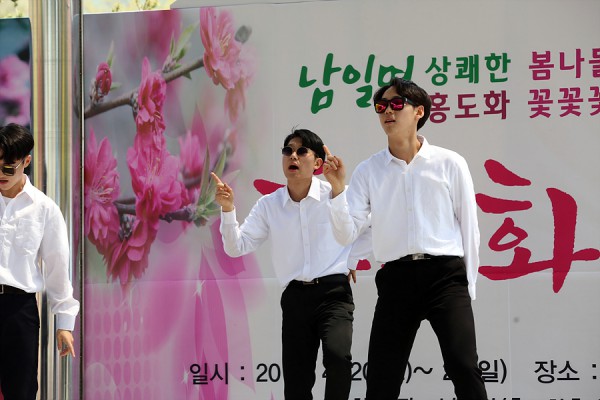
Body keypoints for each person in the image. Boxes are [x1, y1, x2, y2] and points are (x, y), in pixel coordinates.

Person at [323, 77, 488, 399]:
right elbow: (346, 233)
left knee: (463, 366)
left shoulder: (450, 162)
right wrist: (338, 189)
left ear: (419, 111)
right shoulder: (368, 170)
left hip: (445, 277)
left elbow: (470, 227)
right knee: (382, 378)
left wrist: (468, 286)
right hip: (396, 279)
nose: (387, 111)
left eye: (397, 104)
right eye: (381, 106)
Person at [211, 128, 370, 400]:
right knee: (297, 381)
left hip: (334, 293)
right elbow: (236, 247)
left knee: (338, 358)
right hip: (296, 297)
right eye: (288, 151)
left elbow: (369, 226)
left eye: (301, 151)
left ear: (317, 162)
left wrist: (352, 259)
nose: (293, 156)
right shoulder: (269, 205)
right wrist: (227, 209)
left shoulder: (336, 193)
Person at [0, 123, 80, 400]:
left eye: (8, 168)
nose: (1, 175)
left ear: (26, 162)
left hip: (19, 308)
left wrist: (64, 322)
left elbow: (58, 266)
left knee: (21, 390)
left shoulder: (44, 209)